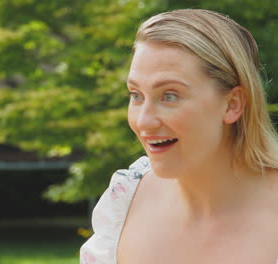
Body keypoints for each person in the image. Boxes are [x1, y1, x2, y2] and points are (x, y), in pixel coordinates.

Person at [80, 9, 278, 264]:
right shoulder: (125, 201)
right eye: (136, 95)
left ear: (232, 104)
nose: (144, 122)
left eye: (169, 96)